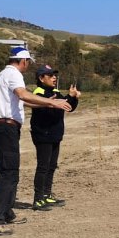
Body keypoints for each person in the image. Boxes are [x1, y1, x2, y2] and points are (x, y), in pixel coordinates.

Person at [0, 47, 71, 236]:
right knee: (8, 174)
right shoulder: (14, 74)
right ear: (23, 61)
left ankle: (6, 212)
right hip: (5, 127)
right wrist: (51, 102)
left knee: (10, 173)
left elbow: (22, 101)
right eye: (28, 62)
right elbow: (23, 95)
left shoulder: (2, 74)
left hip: (2, 127)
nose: (28, 66)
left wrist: (43, 104)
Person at [29, 64, 80, 211]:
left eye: (54, 75)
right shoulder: (38, 93)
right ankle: (38, 199)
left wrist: (73, 97)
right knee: (43, 167)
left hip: (55, 135)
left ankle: (47, 195)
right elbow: (47, 110)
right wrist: (54, 103)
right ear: (41, 78)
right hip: (43, 134)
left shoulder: (55, 92)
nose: (54, 78)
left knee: (51, 166)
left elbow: (68, 107)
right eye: (50, 75)